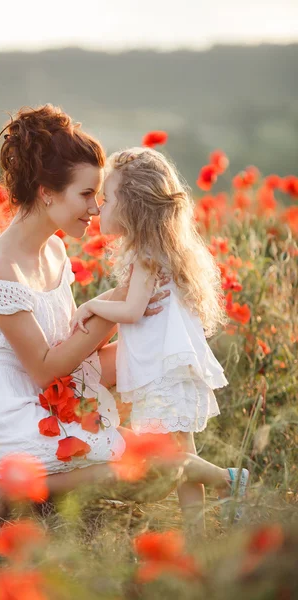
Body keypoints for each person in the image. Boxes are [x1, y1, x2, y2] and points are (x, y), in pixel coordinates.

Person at [0, 105, 247, 530]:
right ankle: (12, 480)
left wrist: (156, 335)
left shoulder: (53, 249)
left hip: (56, 390)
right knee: (150, 473)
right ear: (47, 191)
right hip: (8, 406)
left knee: (160, 376)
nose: (94, 207)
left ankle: (42, 483)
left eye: (99, 195)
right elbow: (47, 367)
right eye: (86, 194)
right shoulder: (0, 271)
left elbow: (72, 343)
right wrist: (117, 305)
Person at [70, 147, 249, 532]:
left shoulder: (147, 254)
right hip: (168, 366)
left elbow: (132, 310)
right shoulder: (156, 249)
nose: (100, 207)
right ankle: (196, 534)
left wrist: (90, 308)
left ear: (134, 206)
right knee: (181, 452)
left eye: (109, 197)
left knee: (164, 455)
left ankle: (228, 479)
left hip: (160, 371)